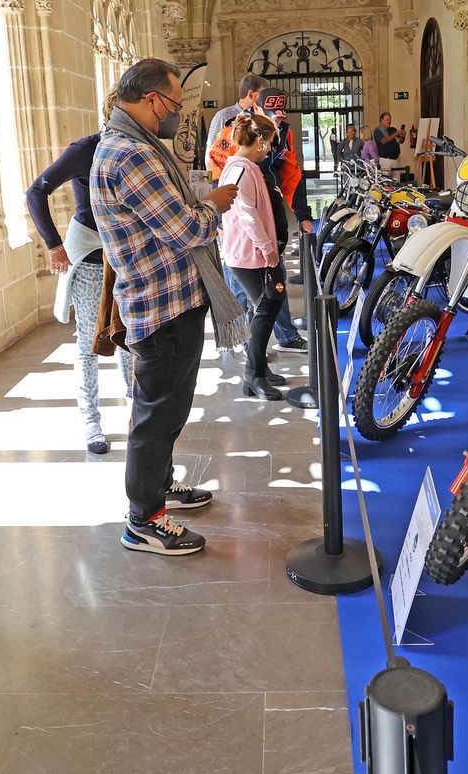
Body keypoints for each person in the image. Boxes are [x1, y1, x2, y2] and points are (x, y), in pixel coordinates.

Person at [91, 58, 248, 556]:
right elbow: (184, 229)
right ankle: (143, 519)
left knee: (171, 409)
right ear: (153, 99)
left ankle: (160, 488)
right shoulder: (130, 154)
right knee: (155, 416)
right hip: (160, 307)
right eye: (175, 105)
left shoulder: (133, 145)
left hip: (172, 299)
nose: (176, 114)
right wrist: (216, 206)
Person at [27, 99, 134, 455]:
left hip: (126, 253)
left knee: (130, 335)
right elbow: (36, 191)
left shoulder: (136, 149)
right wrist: (53, 244)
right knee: (90, 339)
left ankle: (137, 409)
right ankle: (91, 420)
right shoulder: (85, 149)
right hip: (89, 253)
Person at [207, 80, 309, 353]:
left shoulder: (284, 132)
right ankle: (243, 338)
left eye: (279, 119)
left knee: (273, 281)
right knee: (242, 285)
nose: (275, 128)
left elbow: (292, 172)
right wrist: (222, 212)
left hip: (267, 209)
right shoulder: (232, 127)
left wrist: (303, 214)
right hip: (237, 215)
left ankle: (283, 336)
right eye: (271, 119)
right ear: (257, 107)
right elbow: (216, 165)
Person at [219, 114, 288, 400]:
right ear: (260, 141)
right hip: (249, 253)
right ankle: (254, 374)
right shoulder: (242, 169)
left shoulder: (245, 166)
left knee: (266, 305)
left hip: (251, 252)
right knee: (266, 306)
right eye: (270, 142)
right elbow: (245, 212)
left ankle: (258, 368)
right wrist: (266, 246)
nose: (271, 148)